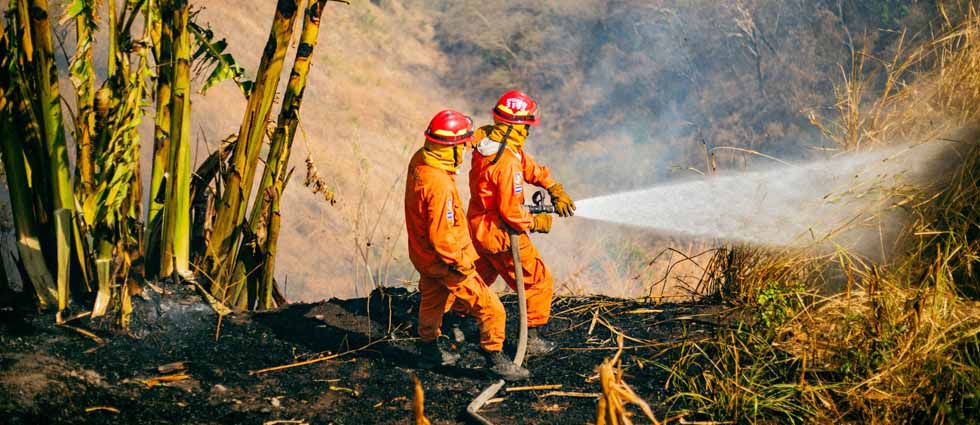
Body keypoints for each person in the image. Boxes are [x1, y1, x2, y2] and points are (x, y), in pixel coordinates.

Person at [404, 109, 529, 381]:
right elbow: (443, 236)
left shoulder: (421, 160)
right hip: (446, 260)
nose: (464, 150)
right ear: (449, 148)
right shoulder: (439, 186)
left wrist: (490, 132)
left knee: (432, 301)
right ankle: (496, 359)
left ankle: (428, 352)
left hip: (423, 256)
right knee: (491, 308)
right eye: (461, 146)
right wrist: (462, 264)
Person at [466, 90, 576, 356]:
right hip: (501, 235)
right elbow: (512, 211)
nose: (528, 131)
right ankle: (533, 339)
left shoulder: (488, 140)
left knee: (479, 276)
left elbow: (525, 163)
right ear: (515, 126)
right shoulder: (506, 165)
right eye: (526, 125)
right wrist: (536, 221)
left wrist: (552, 186)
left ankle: (457, 323)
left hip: (479, 227)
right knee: (537, 280)